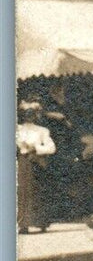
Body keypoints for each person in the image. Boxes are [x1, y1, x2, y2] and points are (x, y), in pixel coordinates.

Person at [17, 98, 56, 234]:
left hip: (36, 163)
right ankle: (23, 224)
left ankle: (40, 222)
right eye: (26, 113)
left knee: (37, 190)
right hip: (22, 162)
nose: (29, 116)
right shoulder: (17, 129)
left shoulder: (42, 131)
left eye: (32, 113)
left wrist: (36, 148)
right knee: (22, 192)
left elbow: (51, 148)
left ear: (36, 114)